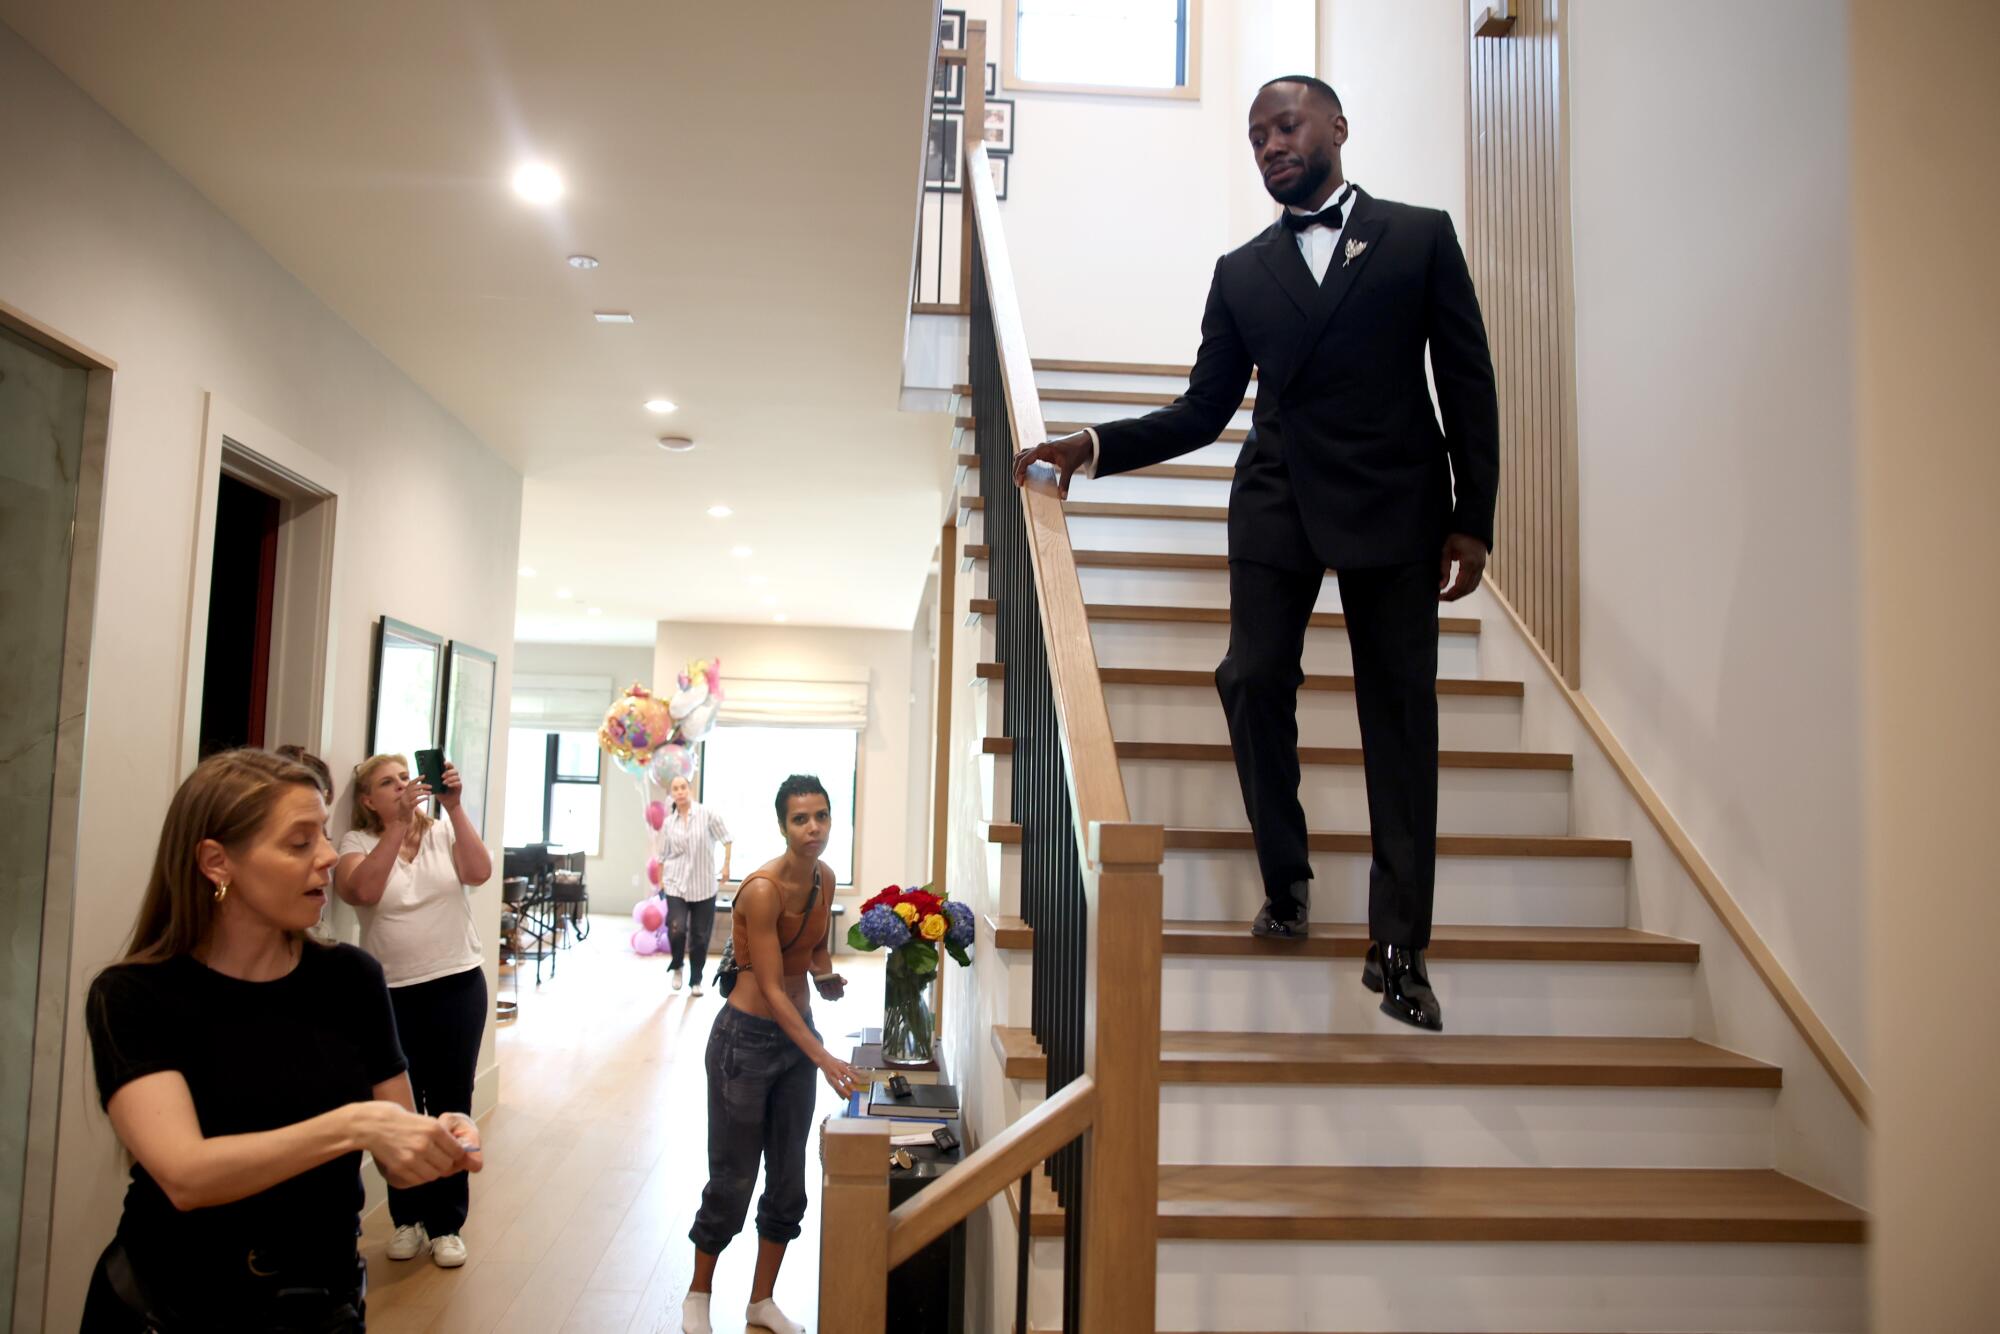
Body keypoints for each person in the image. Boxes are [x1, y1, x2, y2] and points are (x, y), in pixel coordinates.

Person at [1012, 75, 1499, 1032]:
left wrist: (1472, 518)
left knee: (1399, 717)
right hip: (1277, 499)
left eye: (1286, 126)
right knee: (1252, 675)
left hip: (1399, 503)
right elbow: (1205, 409)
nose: (1272, 146)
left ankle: (1400, 947)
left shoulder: (1419, 235)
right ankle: (1287, 878)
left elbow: (1468, 382)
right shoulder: (1242, 271)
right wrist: (1092, 447)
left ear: (1336, 127)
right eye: (1256, 137)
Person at [81, 749, 482, 1332]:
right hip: (171, 1307)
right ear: (217, 862)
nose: (325, 858)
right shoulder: (136, 995)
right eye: (299, 843)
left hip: (321, 1303)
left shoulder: (351, 979)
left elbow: (399, 1164)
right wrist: (355, 1125)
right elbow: (186, 1175)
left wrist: (440, 1138)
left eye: (322, 834)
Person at [682, 775, 862, 1334]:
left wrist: (827, 977)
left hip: (794, 1041)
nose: (813, 828)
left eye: (822, 816)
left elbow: (813, 949)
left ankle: (761, 1301)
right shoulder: (761, 890)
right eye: (800, 819)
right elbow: (771, 988)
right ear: (782, 825)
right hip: (745, 1043)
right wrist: (825, 1057)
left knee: (788, 1182)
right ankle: (697, 1295)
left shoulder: (825, 879)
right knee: (733, 1180)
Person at [334, 753, 492, 1269]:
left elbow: (480, 871)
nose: (402, 786)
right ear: (367, 801)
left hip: (457, 986)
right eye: (387, 782)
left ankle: (447, 1224)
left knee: (451, 1103)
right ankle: (407, 1219)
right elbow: (362, 890)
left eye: (406, 777)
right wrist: (396, 828)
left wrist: (456, 808)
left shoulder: (444, 833)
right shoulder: (357, 844)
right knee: (401, 1112)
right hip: (390, 996)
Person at [658, 774, 732, 995]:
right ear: (671, 794)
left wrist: (726, 866)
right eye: (675, 789)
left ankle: (695, 980)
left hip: (704, 884)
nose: (679, 791)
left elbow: (727, 839)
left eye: (683, 787)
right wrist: (662, 880)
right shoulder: (669, 823)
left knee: (700, 936)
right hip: (675, 883)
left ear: (689, 790)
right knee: (677, 929)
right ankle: (678, 965)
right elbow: (663, 855)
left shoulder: (707, 815)